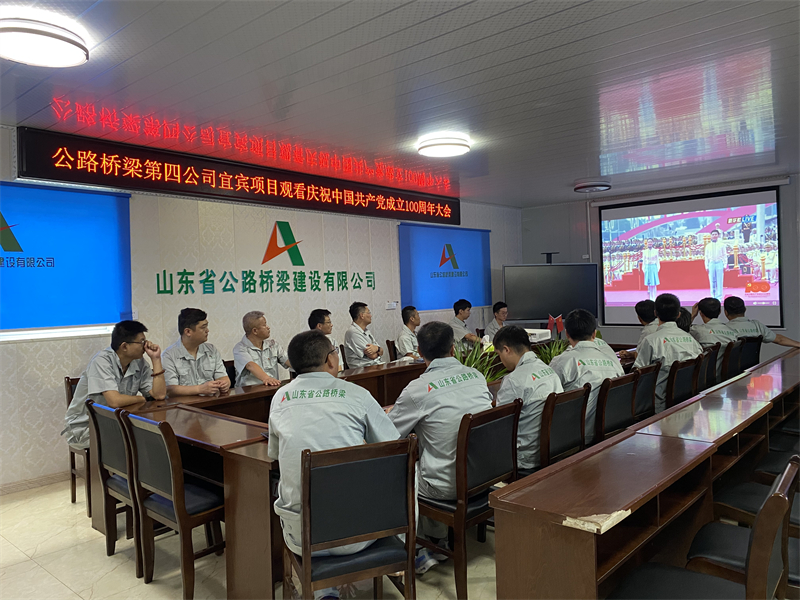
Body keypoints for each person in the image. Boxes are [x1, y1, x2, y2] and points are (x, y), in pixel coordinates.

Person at [268, 330, 399, 600]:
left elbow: (275, 453)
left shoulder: (280, 398)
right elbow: (395, 447)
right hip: (359, 535)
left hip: (302, 536)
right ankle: (407, 553)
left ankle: (324, 590)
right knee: (406, 472)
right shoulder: (357, 394)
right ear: (330, 360)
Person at [387, 321, 493, 573]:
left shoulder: (417, 389)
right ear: (453, 348)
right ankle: (437, 540)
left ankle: (415, 549)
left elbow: (389, 435)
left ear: (419, 352)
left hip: (448, 486)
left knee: (400, 471)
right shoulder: (476, 376)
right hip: (484, 476)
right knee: (432, 457)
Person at [63, 320, 166, 449]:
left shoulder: (139, 362)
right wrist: (141, 399)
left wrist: (156, 359)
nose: (146, 345)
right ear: (124, 346)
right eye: (141, 342)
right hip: (85, 427)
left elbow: (159, 395)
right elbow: (114, 401)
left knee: (151, 436)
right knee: (138, 440)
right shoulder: (102, 361)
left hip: (114, 421)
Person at [494, 325, 563, 474]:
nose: (501, 360)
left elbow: (500, 426)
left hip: (524, 458)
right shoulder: (549, 371)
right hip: (553, 449)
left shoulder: (513, 380)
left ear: (506, 350)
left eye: (499, 354)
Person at [550, 310, 624, 444]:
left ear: (567, 334)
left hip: (571, 437)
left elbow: (548, 399)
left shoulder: (561, 362)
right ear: (594, 334)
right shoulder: (612, 361)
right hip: (611, 432)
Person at [633, 294, 703, 412]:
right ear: (678, 314)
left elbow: (638, 374)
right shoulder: (692, 341)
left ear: (655, 313)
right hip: (688, 402)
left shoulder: (651, 341)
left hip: (658, 403)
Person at [162, 308, 230, 396]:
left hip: (211, 400)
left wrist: (225, 384)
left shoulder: (211, 350)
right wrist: (200, 389)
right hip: (184, 403)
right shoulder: (168, 355)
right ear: (188, 332)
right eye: (203, 327)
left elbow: (223, 377)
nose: (207, 330)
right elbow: (171, 389)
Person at [232, 311, 291, 387]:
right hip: (249, 391)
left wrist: (303, 367)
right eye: (264, 325)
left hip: (272, 387)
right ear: (255, 331)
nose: (268, 327)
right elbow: (250, 365)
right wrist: (267, 378)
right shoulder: (240, 348)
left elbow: (288, 360)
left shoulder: (273, 345)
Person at [724, 296, 800, 348]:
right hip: (753, 366)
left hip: (730, 367)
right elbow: (780, 339)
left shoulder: (723, 329)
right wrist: (798, 344)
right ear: (745, 309)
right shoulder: (757, 325)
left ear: (726, 312)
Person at [690, 297, 738, 379]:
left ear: (700, 313)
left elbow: (680, 331)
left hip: (703, 376)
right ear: (720, 311)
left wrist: (692, 316)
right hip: (727, 376)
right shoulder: (733, 332)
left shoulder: (696, 330)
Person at [343, 302, 383, 368]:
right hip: (362, 370)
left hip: (374, 366)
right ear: (362, 315)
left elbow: (381, 351)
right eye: (368, 313)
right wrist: (378, 350)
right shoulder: (353, 332)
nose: (371, 316)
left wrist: (377, 349)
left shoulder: (366, 331)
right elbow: (372, 356)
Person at [705, 229, 727, 300]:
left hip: (719, 263)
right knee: (712, 280)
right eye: (713, 234)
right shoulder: (708, 246)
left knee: (719, 280)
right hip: (711, 263)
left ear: (718, 235)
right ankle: (713, 296)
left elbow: (724, 255)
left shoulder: (722, 245)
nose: (714, 236)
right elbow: (706, 256)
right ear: (711, 236)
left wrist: (725, 265)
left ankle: (719, 297)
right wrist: (706, 266)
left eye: (715, 234)